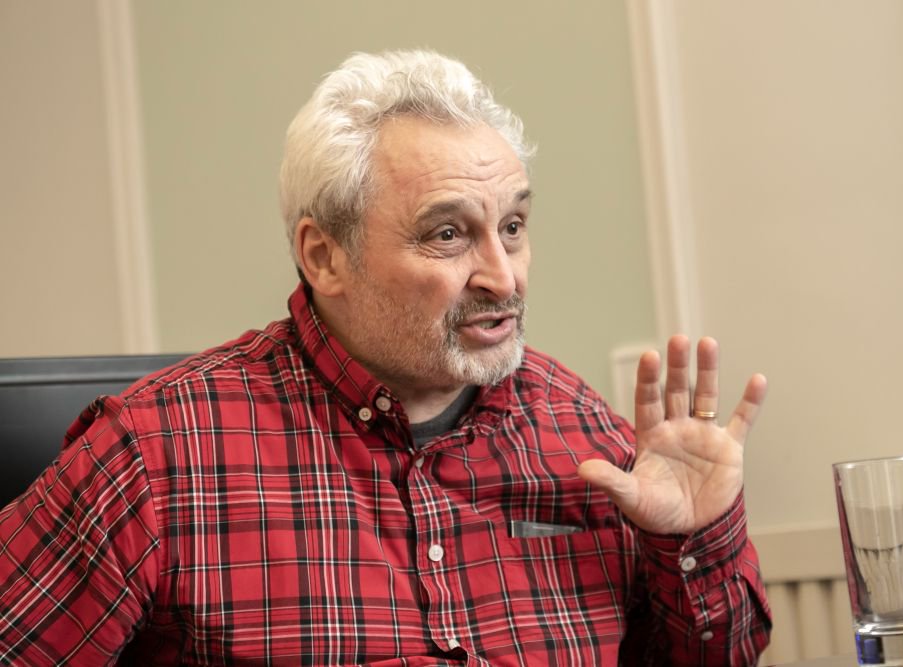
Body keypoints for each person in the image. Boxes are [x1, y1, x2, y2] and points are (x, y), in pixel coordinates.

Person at [0, 50, 771, 665]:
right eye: (447, 233)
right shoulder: (154, 455)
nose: (503, 277)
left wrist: (694, 538)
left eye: (512, 226)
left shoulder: (582, 433)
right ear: (324, 255)